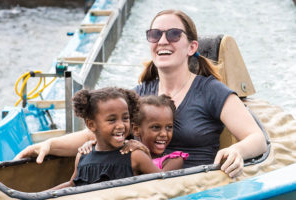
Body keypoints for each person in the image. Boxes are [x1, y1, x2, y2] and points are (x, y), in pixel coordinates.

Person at [15, 9, 267, 178]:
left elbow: (256, 138)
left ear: (191, 47)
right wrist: (48, 144)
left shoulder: (211, 90)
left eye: (173, 34)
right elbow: (93, 132)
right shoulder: (140, 94)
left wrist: (237, 152)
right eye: (155, 34)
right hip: (143, 186)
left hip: (195, 186)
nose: (163, 40)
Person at [51, 87, 161, 190]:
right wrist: (41, 196)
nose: (121, 125)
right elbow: (73, 184)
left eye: (125, 118)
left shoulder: (135, 155)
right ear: (91, 125)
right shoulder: (82, 156)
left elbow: (163, 182)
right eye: (112, 120)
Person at [79, 94, 189, 171]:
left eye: (169, 127)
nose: (164, 134)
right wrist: (92, 145)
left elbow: (160, 183)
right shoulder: (126, 152)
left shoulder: (174, 161)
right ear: (136, 130)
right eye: (156, 127)